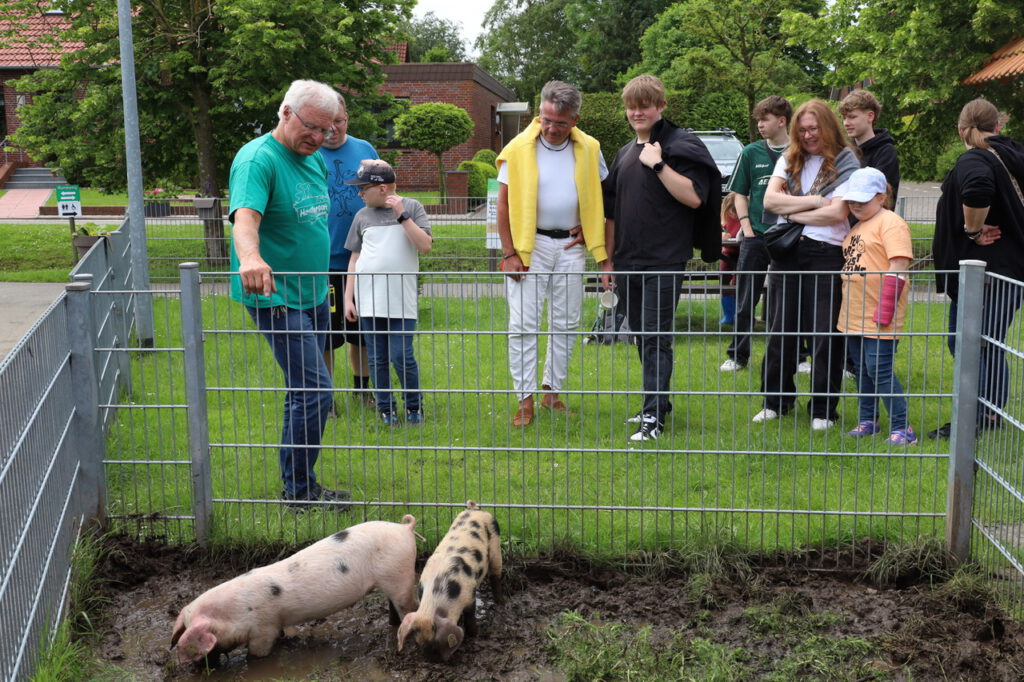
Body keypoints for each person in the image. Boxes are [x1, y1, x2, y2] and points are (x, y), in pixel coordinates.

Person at [228, 79, 349, 510]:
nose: (318, 138)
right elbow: (245, 219)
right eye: (311, 127)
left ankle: (301, 484)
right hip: (275, 295)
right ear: (284, 112)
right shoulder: (258, 160)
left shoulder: (311, 157)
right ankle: (298, 493)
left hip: (314, 291)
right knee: (315, 391)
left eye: (327, 129)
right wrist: (250, 258)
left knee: (307, 390)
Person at [602, 74, 722, 442]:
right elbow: (611, 212)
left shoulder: (679, 144)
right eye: (631, 106)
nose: (637, 112)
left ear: (661, 106)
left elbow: (696, 197)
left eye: (645, 105)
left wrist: (658, 164)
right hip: (628, 260)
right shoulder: (624, 152)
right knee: (641, 335)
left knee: (656, 337)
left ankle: (653, 418)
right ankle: (658, 402)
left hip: (664, 260)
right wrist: (607, 262)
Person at [495, 80, 610, 428]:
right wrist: (509, 251)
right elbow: (502, 204)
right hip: (531, 248)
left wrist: (589, 228)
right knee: (523, 324)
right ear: (539, 112)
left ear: (575, 119)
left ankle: (551, 392)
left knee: (566, 323)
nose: (551, 128)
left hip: (571, 248)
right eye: (546, 119)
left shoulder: (590, 148)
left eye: (560, 122)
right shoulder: (518, 149)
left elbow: (600, 195)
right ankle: (525, 400)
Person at [757, 99, 861, 430]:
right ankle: (775, 402)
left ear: (827, 126)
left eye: (813, 128)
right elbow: (770, 200)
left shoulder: (847, 162)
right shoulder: (790, 157)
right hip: (788, 252)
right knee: (779, 330)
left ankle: (823, 410)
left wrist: (791, 211)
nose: (808, 135)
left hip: (826, 253)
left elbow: (838, 213)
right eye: (801, 130)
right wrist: (815, 201)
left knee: (824, 334)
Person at [930, 98, 1024, 439]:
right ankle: (989, 411)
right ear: (998, 126)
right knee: (983, 342)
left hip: (985, 272)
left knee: (974, 343)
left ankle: (980, 416)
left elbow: (978, 187)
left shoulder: (975, 158)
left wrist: (972, 228)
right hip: (1006, 269)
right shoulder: (1012, 156)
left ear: (961, 130)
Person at [342, 159, 432, 426]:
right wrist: (349, 298)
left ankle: (414, 405)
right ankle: (386, 408)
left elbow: (425, 245)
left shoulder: (412, 207)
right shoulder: (362, 217)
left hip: (400, 300)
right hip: (369, 301)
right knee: (377, 357)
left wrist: (402, 216)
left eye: (363, 188)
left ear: (382, 188)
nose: (359, 193)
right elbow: (354, 259)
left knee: (401, 355)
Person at [836, 167, 916, 445]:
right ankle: (868, 420)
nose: (856, 204)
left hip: (880, 316)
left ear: (882, 197)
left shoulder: (891, 223)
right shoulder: (856, 226)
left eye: (864, 199)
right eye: (852, 199)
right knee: (862, 370)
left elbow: (898, 266)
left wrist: (885, 308)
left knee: (879, 369)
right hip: (853, 316)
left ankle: (902, 426)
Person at [721, 95, 792, 371]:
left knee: (788, 299)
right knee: (746, 298)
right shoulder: (750, 152)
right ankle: (737, 355)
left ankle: (795, 356)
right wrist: (747, 229)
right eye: (758, 120)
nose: (760, 125)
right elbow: (738, 193)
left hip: (790, 237)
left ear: (782, 121)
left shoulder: (799, 150)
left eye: (765, 119)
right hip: (756, 236)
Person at [319, 92, 378, 411]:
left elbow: (384, 190)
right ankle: (325, 396)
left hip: (362, 260)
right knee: (326, 334)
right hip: (322, 262)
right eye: (326, 123)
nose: (333, 129)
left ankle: (362, 389)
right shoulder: (307, 151)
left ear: (347, 119)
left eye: (339, 121)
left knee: (362, 332)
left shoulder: (364, 149)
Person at [840, 90, 901, 203]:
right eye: (844, 118)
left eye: (852, 117)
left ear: (870, 116)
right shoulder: (844, 151)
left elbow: (882, 200)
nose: (846, 123)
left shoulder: (886, 152)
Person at [719, 192, 742, 325]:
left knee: (739, 282)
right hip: (728, 252)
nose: (733, 214)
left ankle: (737, 314)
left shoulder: (745, 214)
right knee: (723, 279)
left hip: (743, 252)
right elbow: (721, 230)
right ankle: (728, 315)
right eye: (730, 211)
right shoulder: (724, 216)